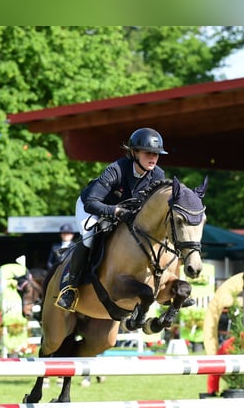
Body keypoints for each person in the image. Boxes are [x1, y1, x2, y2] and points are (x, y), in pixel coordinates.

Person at [56, 127, 168, 311]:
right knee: (90, 237)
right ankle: (69, 288)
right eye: (148, 153)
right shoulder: (116, 169)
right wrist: (115, 211)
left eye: (157, 154)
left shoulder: (158, 175)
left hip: (125, 212)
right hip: (92, 207)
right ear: (134, 152)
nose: (153, 158)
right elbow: (91, 203)